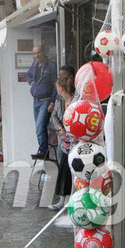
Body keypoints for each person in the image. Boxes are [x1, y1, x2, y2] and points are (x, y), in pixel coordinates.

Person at [48, 75, 75, 210]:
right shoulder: (59, 101)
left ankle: (71, 199)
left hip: (74, 142)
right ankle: (62, 200)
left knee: (72, 170)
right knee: (63, 169)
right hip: (63, 142)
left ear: (62, 88)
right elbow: (54, 116)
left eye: (58, 87)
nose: (56, 89)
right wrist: (60, 128)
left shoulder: (75, 101)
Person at [26, 45, 58, 159]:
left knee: (40, 126)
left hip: (46, 100)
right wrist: (32, 83)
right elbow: (28, 75)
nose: (36, 55)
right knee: (39, 128)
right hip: (36, 101)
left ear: (43, 52)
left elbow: (56, 84)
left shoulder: (51, 65)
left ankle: (43, 151)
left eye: (38, 53)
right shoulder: (34, 65)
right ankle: (43, 149)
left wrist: (53, 102)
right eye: (34, 53)